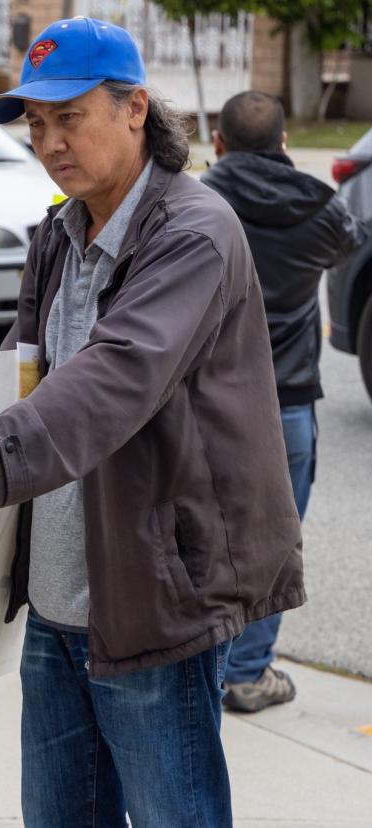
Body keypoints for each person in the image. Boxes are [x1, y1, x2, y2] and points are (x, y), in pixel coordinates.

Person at [0, 18, 304, 826]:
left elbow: (117, 376)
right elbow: (27, 370)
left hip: (155, 596)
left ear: (134, 108)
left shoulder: (194, 231)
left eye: (67, 117)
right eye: (35, 125)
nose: (48, 142)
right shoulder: (59, 231)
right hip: (56, 604)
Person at [202, 90, 367, 713]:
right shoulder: (326, 211)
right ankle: (247, 672)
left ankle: (201, 664)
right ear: (284, 144)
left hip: (208, 398)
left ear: (218, 142)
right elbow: (349, 245)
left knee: (198, 537)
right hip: (289, 400)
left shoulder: (197, 200)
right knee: (276, 541)